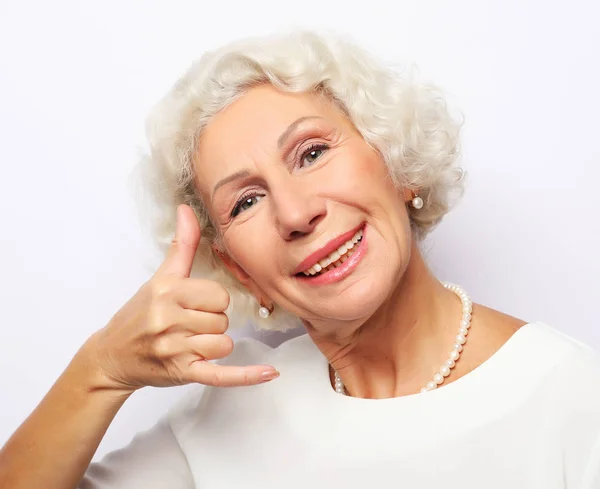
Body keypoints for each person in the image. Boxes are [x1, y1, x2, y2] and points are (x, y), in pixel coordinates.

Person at [1, 29, 599, 489]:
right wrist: (101, 369)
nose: (294, 212)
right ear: (237, 270)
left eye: (311, 152)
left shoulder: (573, 399)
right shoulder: (235, 412)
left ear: (396, 163)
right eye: (247, 200)